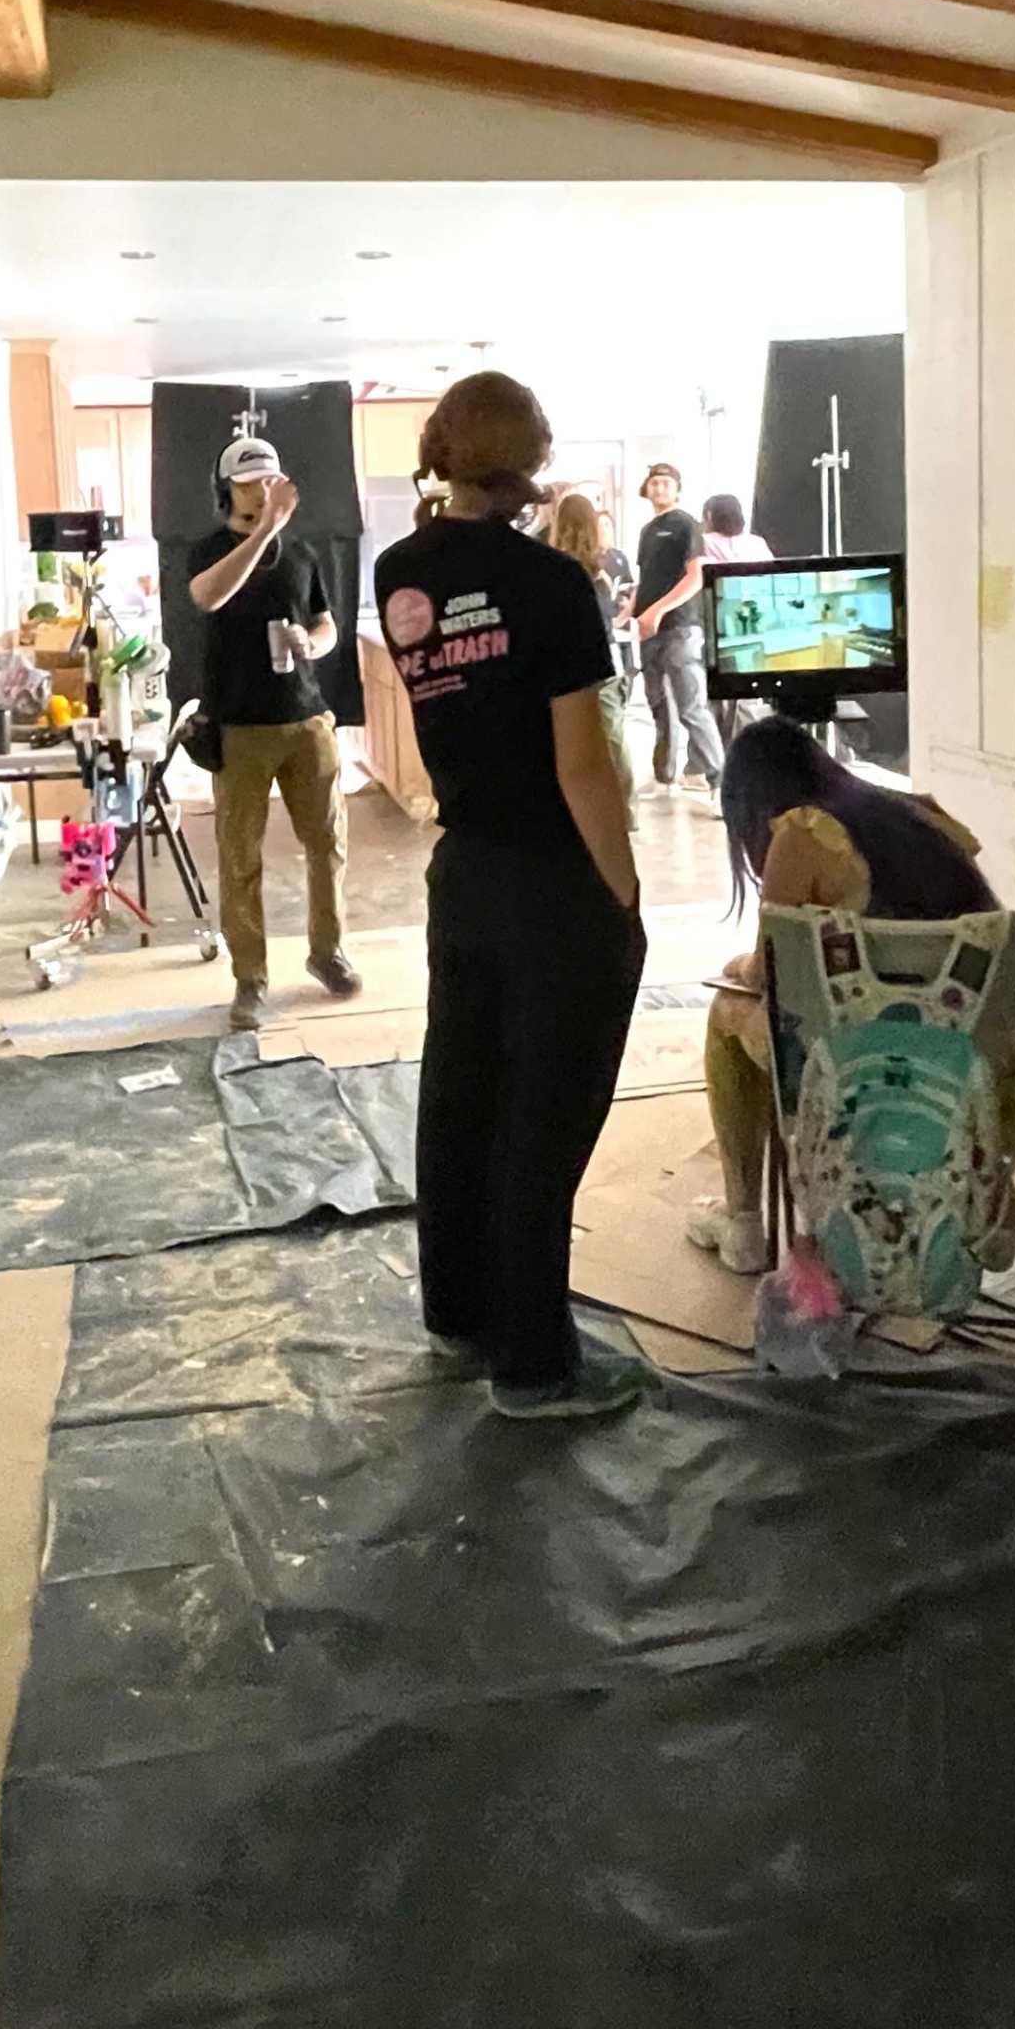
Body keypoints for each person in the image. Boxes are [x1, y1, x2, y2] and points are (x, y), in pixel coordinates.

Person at [378, 373, 650, 1421]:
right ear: (530, 458)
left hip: (467, 868)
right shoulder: (548, 582)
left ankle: (460, 1311)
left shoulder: (403, 569)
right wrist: (623, 892)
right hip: (552, 872)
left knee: (463, 1088)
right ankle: (535, 1365)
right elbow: (583, 764)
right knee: (545, 1110)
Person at [687, 717, 997, 1273]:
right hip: (971, 1054)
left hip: (857, 1062)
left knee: (726, 1008)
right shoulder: (920, 813)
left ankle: (743, 1226)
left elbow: (768, 971)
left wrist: (741, 967)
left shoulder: (801, 833)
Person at [182, 434, 355, 1028]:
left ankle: (327, 952)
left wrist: (316, 643)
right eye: (250, 480)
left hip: (306, 718)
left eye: (271, 479)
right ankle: (249, 980)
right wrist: (261, 534)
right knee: (241, 857)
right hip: (240, 727)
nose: (262, 489)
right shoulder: (208, 549)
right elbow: (207, 596)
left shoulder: (303, 553)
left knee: (327, 844)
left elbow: (327, 623)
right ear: (226, 488)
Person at [537, 489, 639, 808]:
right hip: (605, 655)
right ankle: (626, 808)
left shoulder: (548, 564)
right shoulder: (604, 561)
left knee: (567, 736)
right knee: (612, 734)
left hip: (563, 658)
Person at [629, 463, 722, 800]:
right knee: (659, 706)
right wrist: (632, 610)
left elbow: (696, 576)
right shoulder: (647, 531)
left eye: (666, 482)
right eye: (654, 482)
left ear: (677, 489)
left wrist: (658, 610)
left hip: (680, 627)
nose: (659, 488)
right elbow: (646, 578)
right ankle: (665, 775)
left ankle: (718, 782)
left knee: (691, 706)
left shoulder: (686, 525)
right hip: (648, 630)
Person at [698, 492, 770, 744]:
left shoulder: (703, 542)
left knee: (714, 696)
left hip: (715, 626)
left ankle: (717, 758)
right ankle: (744, 752)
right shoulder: (757, 544)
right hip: (753, 627)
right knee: (747, 695)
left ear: (709, 516)